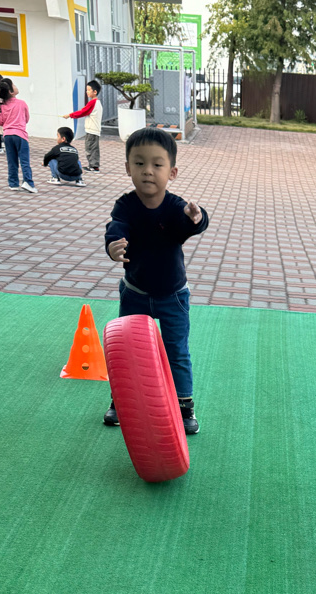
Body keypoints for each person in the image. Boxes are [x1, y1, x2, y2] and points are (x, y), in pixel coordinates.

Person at [104, 127, 209, 434]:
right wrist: (113, 246)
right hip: (135, 293)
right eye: (139, 163)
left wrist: (197, 218)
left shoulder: (176, 207)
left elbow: (190, 224)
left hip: (172, 296)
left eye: (157, 164)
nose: (147, 171)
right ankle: (121, 402)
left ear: (172, 172)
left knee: (176, 350)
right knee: (127, 351)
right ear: (128, 168)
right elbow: (116, 227)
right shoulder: (125, 205)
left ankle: (184, 405)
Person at [0, 78, 36, 194]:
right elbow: (26, 119)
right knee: (24, 161)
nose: (15, 86)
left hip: (7, 135)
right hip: (20, 135)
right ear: (10, 91)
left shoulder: (0, 106)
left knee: (11, 161)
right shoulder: (21, 103)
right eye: (13, 85)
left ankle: (13, 183)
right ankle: (28, 182)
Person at [64, 80, 102, 172]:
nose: (86, 92)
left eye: (88, 90)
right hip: (95, 130)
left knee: (90, 148)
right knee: (94, 148)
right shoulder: (97, 103)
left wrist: (70, 115)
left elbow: (82, 112)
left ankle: (93, 166)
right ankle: (94, 166)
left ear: (95, 92)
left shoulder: (92, 103)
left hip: (91, 130)